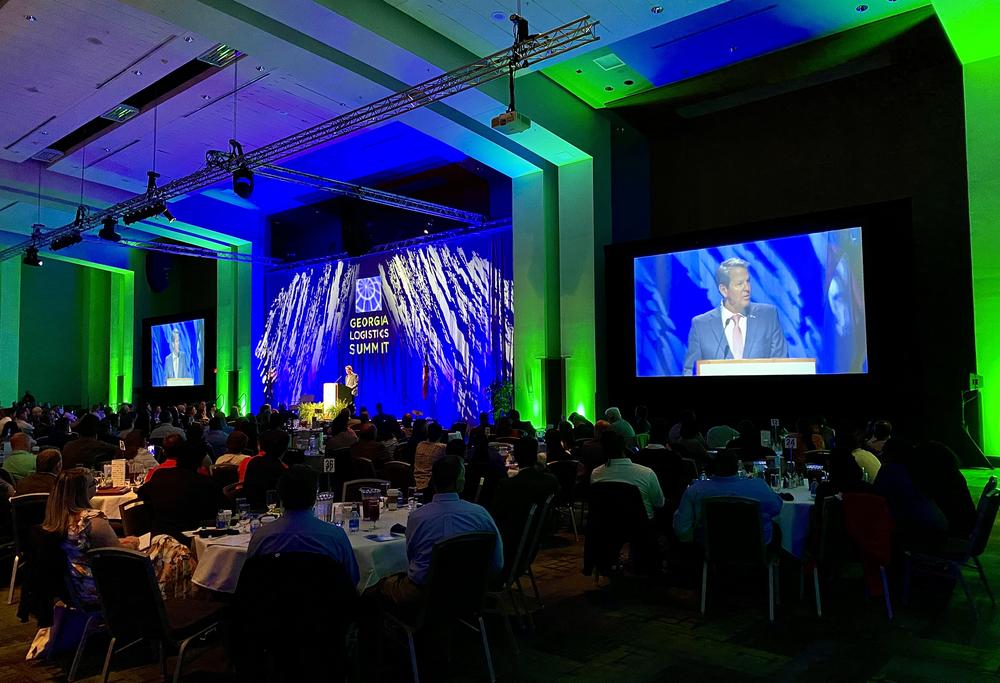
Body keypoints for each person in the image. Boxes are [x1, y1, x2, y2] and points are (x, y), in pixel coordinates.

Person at [371, 455, 503, 609]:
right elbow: (497, 563)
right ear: (460, 482)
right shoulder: (481, 515)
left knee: (375, 584)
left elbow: (412, 559)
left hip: (422, 595)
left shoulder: (418, 517)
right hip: (470, 592)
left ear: (433, 482)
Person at [247, 465, 360, 584]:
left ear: (280, 495)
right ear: (315, 495)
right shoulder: (335, 536)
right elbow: (352, 580)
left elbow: (250, 580)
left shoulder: (261, 536)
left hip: (271, 600)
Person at [43, 468, 139, 607]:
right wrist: (133, 544)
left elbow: (88, 548)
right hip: (99, 590)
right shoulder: (92, 521)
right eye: (93, 483)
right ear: (82, 492)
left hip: (71, 591)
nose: (97, 485)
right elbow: (120, 557)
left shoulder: (54, 521)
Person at [683, 257, 788, 375]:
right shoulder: (701, 325)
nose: (747, 288)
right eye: (740, 284)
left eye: (748, 281)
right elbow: (689, 370)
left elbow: (782, 364)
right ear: (724, 290)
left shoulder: (768, 316)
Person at [673, 450, 783, 545]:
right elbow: (777, 508)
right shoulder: (759, 486)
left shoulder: (695, 490)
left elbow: (681, 527)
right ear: (737, 466)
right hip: (756, 547)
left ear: (714, 466)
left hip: (711, 548)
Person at [490, 438, 559, 567]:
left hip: (507, 548)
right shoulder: (551, 481)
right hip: (531, 546)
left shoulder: (508, 486)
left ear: (515, 456)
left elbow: (495, 515)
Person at [138, 441, 222, 542]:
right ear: (201, 462)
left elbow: (142, 494)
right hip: (192, 540)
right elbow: (221, 510)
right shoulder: (205, 483)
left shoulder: (160, 474)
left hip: (159, 537)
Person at [590, 431, 665, 520]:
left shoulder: (595, 474)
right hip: (640, 527)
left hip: (606, 526)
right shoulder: (647, 473)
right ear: (624, 447)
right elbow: (659, 503)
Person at [243, 429, 290, 510]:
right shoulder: (281, 469)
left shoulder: (253, 462)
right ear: (285, 448)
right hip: (272, 512)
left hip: (251, 508)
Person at [413, 422, 447, 490]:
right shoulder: (442, 447)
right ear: (441, 434)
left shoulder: (420, 445)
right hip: (430, 485)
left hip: (414, 481)